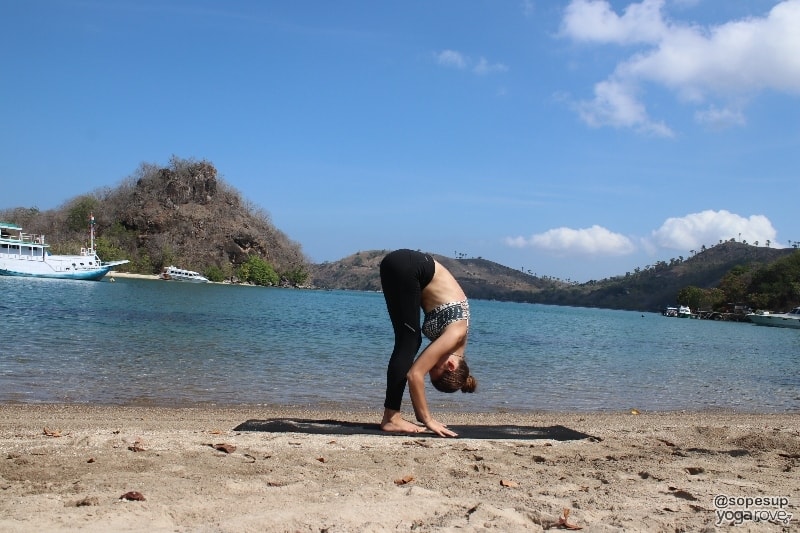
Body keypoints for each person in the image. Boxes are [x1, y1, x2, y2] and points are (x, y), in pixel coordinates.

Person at [379, 249, 477, 437]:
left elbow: (415, 373)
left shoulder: (455, 340)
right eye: (434, 368)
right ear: (450, 365)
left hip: (402, 264)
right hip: (409, 266)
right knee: (409, 341)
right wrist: (427, 419)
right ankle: (391, 417)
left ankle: (392, 416)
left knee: (408, 340)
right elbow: (415, 374)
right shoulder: (455, 335)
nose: (429, 365)